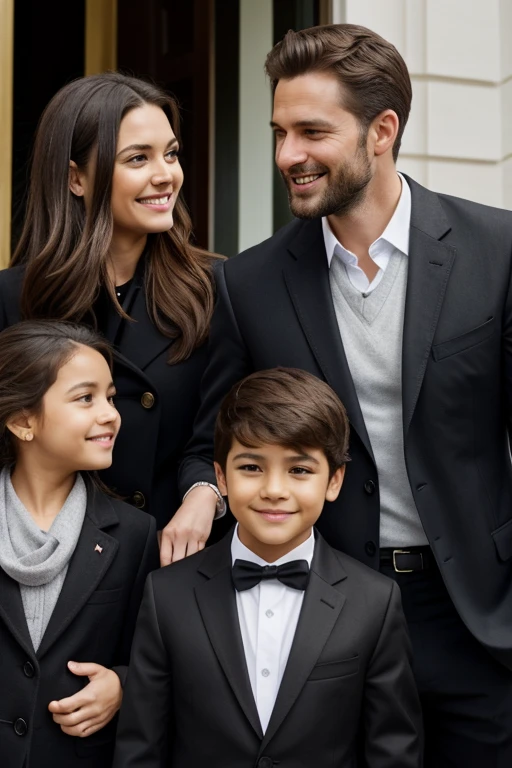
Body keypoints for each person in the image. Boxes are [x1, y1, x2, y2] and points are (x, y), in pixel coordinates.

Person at [178, 22, 512, 767]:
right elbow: (210, 445)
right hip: (326, 618)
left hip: (480, 621)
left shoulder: (498, 250)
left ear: (382, 130)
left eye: (311, 132)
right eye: (278, 132)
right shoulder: (248, 285)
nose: (286, 155)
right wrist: (203, 487)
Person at [114, 367, 422, 768]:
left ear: (334, 481)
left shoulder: (375, 602)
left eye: (299, 470)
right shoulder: (166, 595)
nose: (274, 490)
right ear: (221, 477)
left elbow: (393, 751)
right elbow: (141, 749)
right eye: (251, 467)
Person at [0, 72, 223, 564]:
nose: (166, 174)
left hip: (173, 562)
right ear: (76, 177)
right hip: (48, 566)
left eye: (171, 153)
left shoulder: (216, 290)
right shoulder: (12, 299)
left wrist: (204, 493)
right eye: (138, 158)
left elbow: (223, 432)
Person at [0, 321, 158, 768]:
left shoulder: (134, 534)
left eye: (110, 397)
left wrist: (122, 685)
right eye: (85, 398)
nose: (110, 413)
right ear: (22, 421)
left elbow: (148, 657)